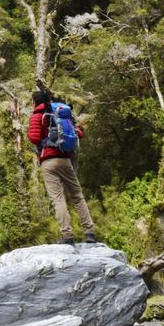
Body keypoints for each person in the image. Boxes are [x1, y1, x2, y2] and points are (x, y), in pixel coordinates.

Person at [27, 89, 97, 245]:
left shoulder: (37, 116)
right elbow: (78, 133)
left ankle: (67, 236)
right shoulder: (60, 113)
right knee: (78, 196)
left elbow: (34, 137)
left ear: (34, 102)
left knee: (58, 199)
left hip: (48, 162)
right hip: (65, 160)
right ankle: (90, 233)